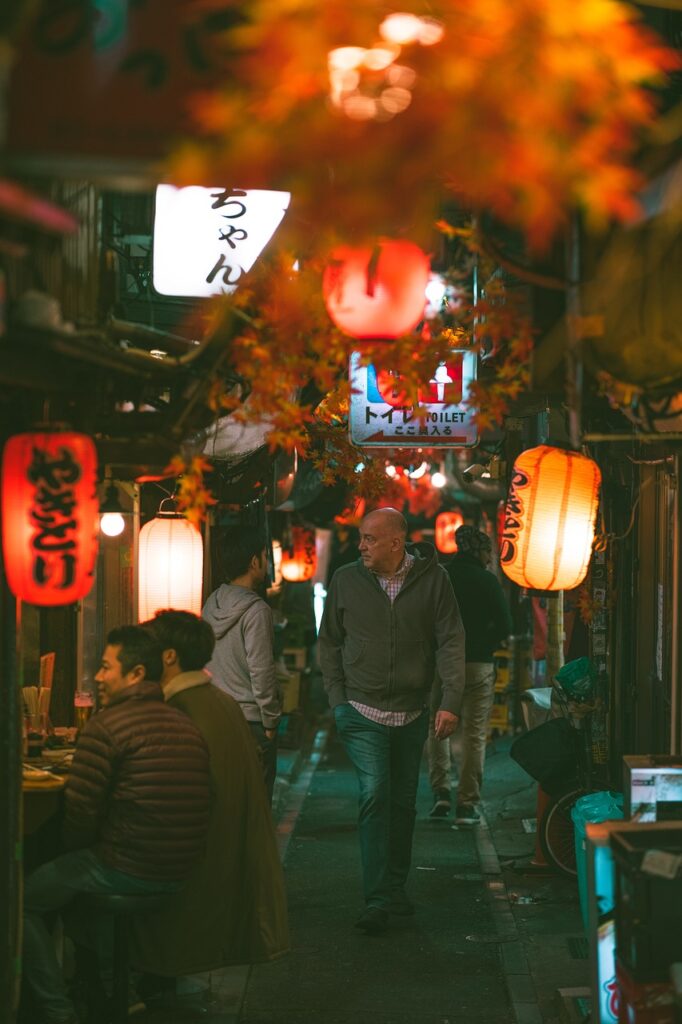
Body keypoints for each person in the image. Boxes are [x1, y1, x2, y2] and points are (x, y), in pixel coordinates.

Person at [22, 626, 211, 1024]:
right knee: (76, 890)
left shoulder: (106, 727)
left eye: (107, 668)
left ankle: (56, 1011)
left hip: (129, 866)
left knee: (20, 900)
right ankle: (114, 989)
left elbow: (79, 818)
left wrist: (72, 847)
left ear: (137, 673)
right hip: (180, 870)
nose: (99, 676)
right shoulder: (184, 723)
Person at [319, 507, 465, 935]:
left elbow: (451, 640)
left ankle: (395, 886)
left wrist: (450, 700)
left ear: (396, 543)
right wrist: (337, 700)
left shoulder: (435, 580)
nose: (361, 546)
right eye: (361, 538)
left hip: (413, 711)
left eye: (369, 539)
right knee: (375, 793)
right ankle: (377, 898)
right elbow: (329, 642)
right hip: (360, 711)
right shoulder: (347, 580)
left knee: (403, 802)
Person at [131, 609, 289, 989]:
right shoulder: (220, 701)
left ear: (169, 657)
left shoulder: (178, 710)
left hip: (193, 863)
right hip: (224, 861)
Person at [428, 526, 513, 825]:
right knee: (474, 734)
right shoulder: (487, 582)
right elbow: (505, 624)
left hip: (440, 664)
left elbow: (425, 619)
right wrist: (483, 644)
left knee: (437, 728)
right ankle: (466, 803)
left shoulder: (441, 577)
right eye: (488, 551)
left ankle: (440, 792)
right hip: (478, 664)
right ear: (479, 551)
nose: (490, 557)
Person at [202, 525, 282, 804]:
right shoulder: (256, 610)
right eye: (264, 556)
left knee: (225, 803)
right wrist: (270, 720)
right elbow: (261, 670)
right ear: (253, 561)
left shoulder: (213, 601)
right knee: (255, 806)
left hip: (217, 716)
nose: (267, 563)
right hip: (250, 721)